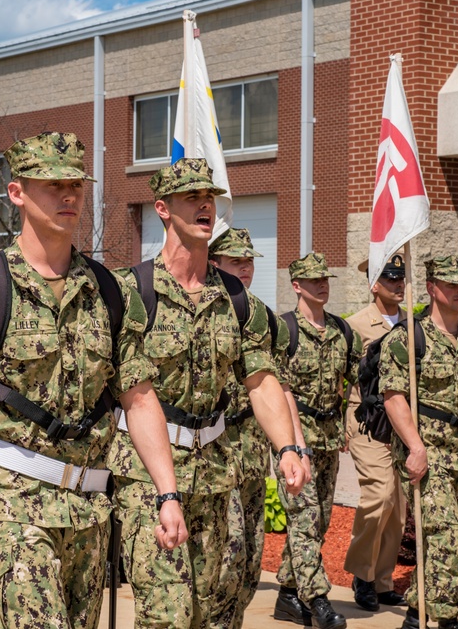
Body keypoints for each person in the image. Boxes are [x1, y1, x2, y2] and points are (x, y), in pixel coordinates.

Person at [0, 132, 186, 629]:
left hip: (87, 510)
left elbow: (140, 397)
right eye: (52, 184)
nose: (68, 196)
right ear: (16, 192)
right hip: (8, 506)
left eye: (76, 186)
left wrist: (167, 493)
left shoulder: (108, 290)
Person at [107, 158, 306, 629]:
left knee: (214, 616)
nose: (204, 205)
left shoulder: (236, 298)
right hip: (146, 478)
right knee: (169, 617)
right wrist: (163, 489)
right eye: (191, 197)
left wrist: (288, 446)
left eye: (209, 197)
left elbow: (260, 379)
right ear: (162, 208)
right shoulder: (130, 291)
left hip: (217, 476)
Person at [381, 254, 458, 629]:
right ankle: (449, 619)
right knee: (446, 537)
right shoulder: (408, 339)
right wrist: (416, 448)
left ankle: (417, 612)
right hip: (425, 452)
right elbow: (393, 396)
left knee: (449, 538)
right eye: (452, 284)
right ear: (432, 288)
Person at [207, 228, 307, 629]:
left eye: (249, 261)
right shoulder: (206, 311)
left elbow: (279, 386)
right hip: (215, 453)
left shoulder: (260, 315)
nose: (245, 268)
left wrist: (294, 445)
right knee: (225, 559)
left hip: (251, 454)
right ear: (215, 262)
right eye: (235, 261)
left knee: (250, 561)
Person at [273, 252, 362, 629]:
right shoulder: (284, 330)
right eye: (313, 281)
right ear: (297, 286)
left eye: (325, 280)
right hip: (295, 441)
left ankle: (288, 594)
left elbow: (358, 379)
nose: (322, 285)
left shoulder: (343, 332)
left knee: (320, 520)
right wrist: (292, 445)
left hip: (328, 440)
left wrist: (349, 423)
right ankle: (317, 600)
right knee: (304, 518)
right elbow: (277, 389)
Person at [343, 254, 407, 611]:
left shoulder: (415, 325)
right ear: (374, 285)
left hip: (402, 424)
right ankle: (362, 575)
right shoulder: (356, 326)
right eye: (391, 278)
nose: (398, 284)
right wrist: (342, 426)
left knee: (397, 507)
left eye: (401, 278)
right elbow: (341, 378)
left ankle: (382, 582)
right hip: (367, 420)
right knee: (379, 495)